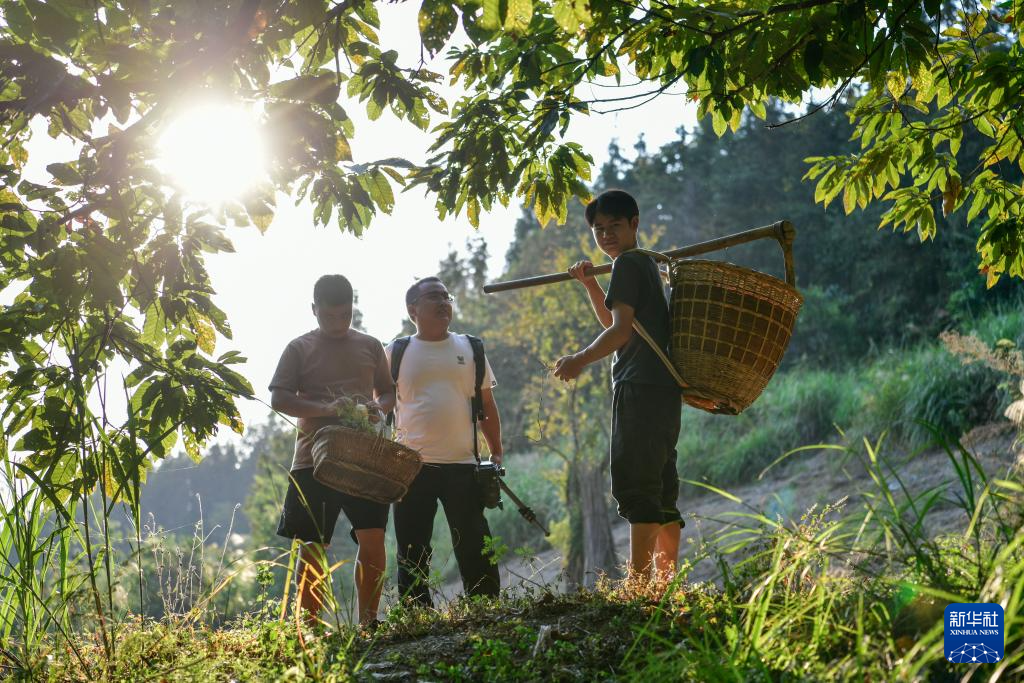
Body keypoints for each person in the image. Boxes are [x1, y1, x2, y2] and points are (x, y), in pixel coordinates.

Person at [552, 189, 682, 584]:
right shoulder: (641, 264)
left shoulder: (628, 263)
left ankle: (640, 589)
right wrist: (591, 285)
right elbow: (617, 323)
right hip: (663, 389)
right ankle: (665, 586)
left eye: (615, 226)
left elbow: (620, 333)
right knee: (661, 487)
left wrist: (578, 361)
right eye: (599, 229)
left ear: (634, 225)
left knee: (637, 484)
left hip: (638, 385)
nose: (606, 235)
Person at [269, 274, 396, 627]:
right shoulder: (299, 348)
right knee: (312, 548)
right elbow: (279, 398)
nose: (339, 323)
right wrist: (329, 409)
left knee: (372, 540)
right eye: (330, 317)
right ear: (314, 310)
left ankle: (369, 623)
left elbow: (387, 392)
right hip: (313, 461)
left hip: (365, 459)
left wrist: (379, 409)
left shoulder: (370, 345)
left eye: (346, 315)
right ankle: (310, 630)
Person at [386, 276, 503, 606]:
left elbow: (487, 405)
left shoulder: (471, 347)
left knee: (474, 543)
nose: (443, 302)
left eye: (446, 296)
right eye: (433, 297)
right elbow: (379, 400)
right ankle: (416, 615)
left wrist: (496, 450)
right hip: (410, 467)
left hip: (463, 465)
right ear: (413, 310)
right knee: (412, 549)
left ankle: (486, 606)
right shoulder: (397, 351)